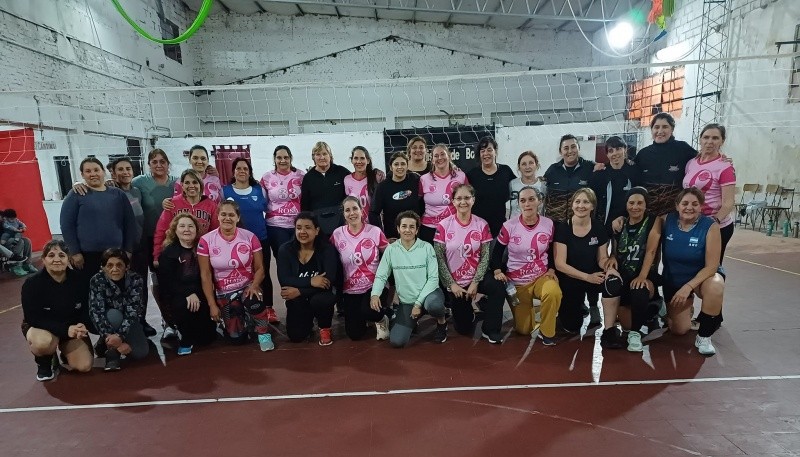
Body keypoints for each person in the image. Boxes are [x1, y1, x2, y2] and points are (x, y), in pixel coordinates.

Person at [640, 188, 725, 356]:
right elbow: (643, 221)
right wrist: (620, 219)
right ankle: (685, 311)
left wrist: (688, 287)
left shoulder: (710, 227)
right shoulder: (665, 221)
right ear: (677, 206)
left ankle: (704, 336)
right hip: (674, 279)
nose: (689, 207)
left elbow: (712, 267)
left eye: (695, 204)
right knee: (678, 330)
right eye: (685, 203)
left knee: (716, 285)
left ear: (701, 207)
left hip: (701, 279)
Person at [434, 184, 506, 343]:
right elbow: (439, 258)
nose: (463, 202)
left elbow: (485, 256)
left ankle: (491, 329)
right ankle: (471, 313)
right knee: (463, 329)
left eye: (467, 198)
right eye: (459, 198)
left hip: (477, 277)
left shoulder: (481, 224)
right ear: (452, 201)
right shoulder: (444, 225)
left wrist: (475, 282)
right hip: (456, 282)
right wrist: (451, 284)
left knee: (497, 286)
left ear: (473, 200)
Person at [198, 201, 274, 351]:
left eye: (231, 215)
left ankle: (263, 334)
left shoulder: (250, 237)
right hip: (224, 292)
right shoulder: (206, 240)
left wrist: (254, 285)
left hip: (248, 286)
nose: (227, 218)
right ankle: (240, 322)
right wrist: (212, 305)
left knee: (254, 301)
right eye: (223, 214)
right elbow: (205, 275)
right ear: (218, 216)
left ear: (238, 218)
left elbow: (260, 269)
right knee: (237, 339)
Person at [492, 187, 562, 345]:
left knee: (553, 292)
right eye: (523, 200)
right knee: (523, 330)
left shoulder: (548, 223)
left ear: (539, 201)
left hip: (541, 277)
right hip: (518, 282)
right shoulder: (509, 225)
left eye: (531, 199)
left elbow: (551, 250)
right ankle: (532, 313)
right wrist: (497, 270)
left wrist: (551, 268)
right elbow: (497, 252)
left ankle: (547, 332)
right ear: (518, 204)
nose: (527, 204)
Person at [370, 211, 447, 347]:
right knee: (396, 342)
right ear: (398, 229)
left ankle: (441, 322)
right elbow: (382, 275)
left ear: (417, 230)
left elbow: (434, 279)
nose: (407, 230)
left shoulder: (426, 248)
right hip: (407, 302)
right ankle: (413, 321)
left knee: (434, 306)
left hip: (429, 296)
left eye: (412, 227)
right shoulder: (391, 249)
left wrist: (418, 304)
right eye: (404, 226)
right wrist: (375, 294)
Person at [599, 187, 661, 352]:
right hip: (625, 274)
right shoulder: (620, 223)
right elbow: (616, 250)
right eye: (631, 203)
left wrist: (642, 276)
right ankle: (609, 331)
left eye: (640, 203)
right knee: (610, 283)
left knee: (639, 289)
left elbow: (651, 251)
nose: (635, 207)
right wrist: (612, 257)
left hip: (644, 275)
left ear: (646, 205)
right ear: (626, 205)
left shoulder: (654, 221)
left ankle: (636, 333)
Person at [21, 240, 92, 381]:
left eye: (61, 255)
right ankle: (45, 361)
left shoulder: (80, 280)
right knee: (43, 342)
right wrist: (65, 330)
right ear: (43, 260)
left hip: (70, 329)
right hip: (42, 329)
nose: (57, 259)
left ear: (68, 258)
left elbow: (86, 308)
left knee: (84, 366)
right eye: (51, 255)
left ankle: (65, 352)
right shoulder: (32, 284)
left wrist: (84, 324)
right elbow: (33, 318)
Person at [60, 157, 137, 285]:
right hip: (86, 256)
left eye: (96, 170)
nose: (93, 174)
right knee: (89, 293)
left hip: (115, 254)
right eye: (88, 171)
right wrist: (75, 252)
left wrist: (128, 250)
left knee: (115, 291)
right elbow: (66, 225)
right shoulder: (76, 195)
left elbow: (129, 223)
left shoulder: (118, 194)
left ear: (103, 172)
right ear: (82, 175)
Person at [223, 157, 278, 324]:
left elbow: (267, 207)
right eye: (238, 168)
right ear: (233, 172)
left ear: (249, 172)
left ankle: (268, 308)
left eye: (245, 168)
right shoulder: (225, 191)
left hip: (260, 239)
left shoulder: (258, 190)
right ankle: (240, 309)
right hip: (235, 242)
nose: (242, 171)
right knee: (241, 274)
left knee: (263, 272)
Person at [132, 149, 178, 336]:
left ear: (168, 164)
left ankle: (180, 316)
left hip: (175, 239)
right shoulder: (140, 182)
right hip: (150, 239)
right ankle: (166, 321)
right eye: (154, 162)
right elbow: (123, 188)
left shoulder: (177, 183)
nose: (158, 165)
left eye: (162, 161)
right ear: (149, 164)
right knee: (156, 279)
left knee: (176, 279)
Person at [331, 197, 391, 341]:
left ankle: (382, 319)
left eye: (355, 208)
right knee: (355, 334)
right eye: (347, 210)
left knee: (369, 310)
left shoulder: (375, 231)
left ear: (361, 210)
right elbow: (329, 257)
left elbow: (389, 255)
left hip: (374, 285)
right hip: (350, 289)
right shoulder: (337, 234)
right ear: (343, 214)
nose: (352, 213)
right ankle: (365, 316)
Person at [157, 214, 217, 355]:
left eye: (190, 226)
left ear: (196, 230)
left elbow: (207, 275)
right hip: (179, 295)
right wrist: (187, 293)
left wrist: (196, 293)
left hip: (200, 291)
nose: (186, 229)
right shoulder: (168, 253)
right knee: (183, 305)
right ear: (175, 230)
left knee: (206, 339)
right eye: (182, 226)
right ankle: (185, 338)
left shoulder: (203, 248)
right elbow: (167, 282)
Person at [277, 212, 340, 346]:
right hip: (300, 299)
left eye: (307, 227)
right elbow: (285, 280)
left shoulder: (327, 249)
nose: (303, 231)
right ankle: (308, 321)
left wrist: (300, 291)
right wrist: (311, 281)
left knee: (322, 299)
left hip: (319, 296)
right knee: (296, 336)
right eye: (299, 228)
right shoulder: (285, 250)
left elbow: (329, 281)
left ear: (316, 230)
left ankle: (325, 327)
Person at [553, 188, 611, 334]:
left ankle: (602, 312)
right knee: (572, 326)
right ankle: (574, 307)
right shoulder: (563, 228)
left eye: (586, 202)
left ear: (592, 206)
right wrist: (587, 277)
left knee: (614, 282)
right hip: (570, 277)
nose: (581, 206)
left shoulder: (598, 227)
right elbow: (560, 264)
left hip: (593, 275)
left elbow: (601, 258)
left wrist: (609, 266)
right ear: (572, 205)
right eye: (577, 201)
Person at [89, 249, 150, 371]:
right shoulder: (96, 280)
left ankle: (105, 343)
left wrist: (120, 337)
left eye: (119, 265)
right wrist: (114, 339)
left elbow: (134, 311)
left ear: (127, 267)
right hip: (108, 320)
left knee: (141, 353)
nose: (114, 269)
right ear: (103, 267)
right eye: (109, 265)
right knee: (113, 314)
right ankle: (111, 351)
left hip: (129, 322)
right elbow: (96, 312)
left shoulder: (136, 280)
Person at [683, 123, 736, 262]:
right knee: (692, 265)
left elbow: (728, 203)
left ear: (722, 141)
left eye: (715, 138)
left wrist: (713, 222)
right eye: (706, 137)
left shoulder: (725, 166)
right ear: (700, 139)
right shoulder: (691, 163)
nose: (709, 142)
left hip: (716, 226)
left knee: (711, 270)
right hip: (693, 223)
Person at [634, 113, 698, 215]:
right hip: (649, 213)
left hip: (675, 213)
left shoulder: (683, 149)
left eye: (665, 127)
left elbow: (704, 161)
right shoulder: (643, 154)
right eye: (656, 127)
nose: (660, 131)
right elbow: (628, 170)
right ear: (652, 130)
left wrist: (721, 159)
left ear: (672, 129)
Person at [153, 169, 219, 261]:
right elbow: (161, 231)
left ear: (200, 185)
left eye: (195, 182)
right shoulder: (172, 203)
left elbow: (216, 233)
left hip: (202, 254)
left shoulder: (211, 205)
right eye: (187, 183)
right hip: (176, 255)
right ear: (182, 186)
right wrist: (157, 255)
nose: (191, 186)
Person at [589, 136, 642, 234]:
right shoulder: (600, 174)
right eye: (611, 150)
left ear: (625, 149)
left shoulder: (634, 172)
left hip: (627, 222)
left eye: (618, 149)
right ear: (607, 154)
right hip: (603, 224)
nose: (615, 153)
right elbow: (591, 199)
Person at [260, 145, 305, 260]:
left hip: (298, 225)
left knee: (300, 259)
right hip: (276, 226)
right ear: (274, 159)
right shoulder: (267, 177)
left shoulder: (301, 176)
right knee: (283, 260)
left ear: (291, 158)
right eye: (279, 158)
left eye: (286, 157)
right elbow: (262, 202)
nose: (283, 160)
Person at [466, 136, 517, 237]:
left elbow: (519, 187)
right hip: (477, 229)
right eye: (482, 151)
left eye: (489, 150)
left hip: (500, 229)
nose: (486, 154)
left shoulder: (505, 171)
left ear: (495, 151)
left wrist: (537, 181)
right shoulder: (472, 175)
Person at [419, 143, 469, 243]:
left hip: (454, 227)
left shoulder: (461, 176)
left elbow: (468, 201)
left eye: (443, 154)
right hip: (429, 229)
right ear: (432, 159)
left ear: (449, 156)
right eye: (436, 156)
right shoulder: (424, 179)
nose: (439, 158)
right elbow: (418, 203)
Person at [300, 141, 351, 237]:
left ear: (330, 155)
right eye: (318, 154)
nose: (322, 157)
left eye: (324, 154)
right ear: (313, 157)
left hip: (341, 223)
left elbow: (355, 184)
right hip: (318, 225)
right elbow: (305, 205)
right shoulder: (308, 178)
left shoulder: (341, 172)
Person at [369, 152, 422, 241]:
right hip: (393, 237)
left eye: (403, 164)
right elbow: (373, 213)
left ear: (407, 166)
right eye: (396, 164)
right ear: (391, 167)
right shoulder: (382, 187)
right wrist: (383, 238)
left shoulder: (415, 180)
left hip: (415, 235)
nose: (400, 167)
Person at [344, 146, 379, 225]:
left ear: (368, 160)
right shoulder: (347, 179)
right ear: (352, 160)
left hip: (374, 225)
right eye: (356, 158)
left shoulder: (376, 177)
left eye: (362, 158)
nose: (359, 161)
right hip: (356, 226)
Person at [509, 151, 546, 217]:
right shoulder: (512, 184)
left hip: (537, 226)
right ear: (519, 167)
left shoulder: (544, 186)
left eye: (531, 163)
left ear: (536, 165)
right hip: (514, 226)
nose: (527, 167)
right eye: (524, 164)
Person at [0, 209, 36, 276]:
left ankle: (27, 264)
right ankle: (17, 266)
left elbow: (18, 225)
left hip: (10, 238)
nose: (3, 218)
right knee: (20, 242)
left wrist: (21, 228)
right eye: (2, 217)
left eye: (2, 217)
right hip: (3, 242)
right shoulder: (5, 224)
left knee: (27, 240)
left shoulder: (6, 221)